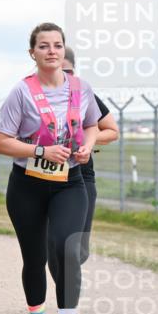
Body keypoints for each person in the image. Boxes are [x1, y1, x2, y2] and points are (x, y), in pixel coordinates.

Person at [0, 23, 100, 314]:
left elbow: (91, 125)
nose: (51, 50)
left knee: (67, 250)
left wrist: (87, 147)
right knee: (34, 257)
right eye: (44, 46)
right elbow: (0, 142)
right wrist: (40, 152)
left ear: (64, 50)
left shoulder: (82, 88)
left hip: (70, 182)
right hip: (28, 185)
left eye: (57, 45)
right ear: (33, 53)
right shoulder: (21, 92)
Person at [60, 46, 119, 266]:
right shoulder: (32, 94)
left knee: (80, 250)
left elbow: (112, 131)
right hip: (44, 176)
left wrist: (85, 141)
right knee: (58, 245)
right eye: (59, 72)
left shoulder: (84, 94)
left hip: (82, 176)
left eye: (69, 72)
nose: (65, 78)